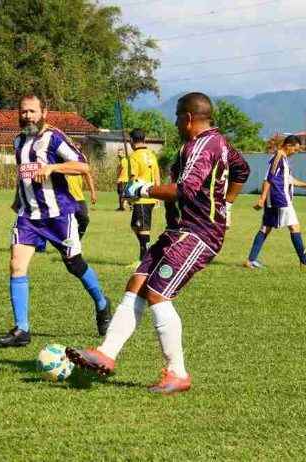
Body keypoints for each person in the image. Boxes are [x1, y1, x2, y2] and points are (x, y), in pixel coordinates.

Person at [65, 92, 250, 394]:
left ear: (189, 118)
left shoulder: (201, 146)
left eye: (178, 116)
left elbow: (187, 190)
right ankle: (106, 353)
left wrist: (145, 188)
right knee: (136, 283)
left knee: (157, 293)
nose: (176, 121)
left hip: (198, 234)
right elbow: (242, 170)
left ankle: (178, 373)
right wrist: (226, 204)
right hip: (178, 231)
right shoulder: (221, 142)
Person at [0, 94, 111, 347]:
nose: (27, 116)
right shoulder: (18, 141)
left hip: (58, 216)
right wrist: (18, 199)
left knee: (74, 265)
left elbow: (83, 166)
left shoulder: (54, 137)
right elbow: (23, 176)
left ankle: (102, 303)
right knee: (16, 264)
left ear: (43, 112)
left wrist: (53, 168)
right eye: (23, 111)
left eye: (32, 111)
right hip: (28, 217)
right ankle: (22, 330)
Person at [244, 135, 306, 269]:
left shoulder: (283, 159)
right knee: (294, 226)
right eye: (295, 150)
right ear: (288, 145)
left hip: (275, 199)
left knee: (265, 228)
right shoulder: (278, 157)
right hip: (280, 199)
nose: (295, 153)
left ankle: (250, 261)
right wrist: (262, 199)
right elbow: (268, 179)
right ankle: (304, 260)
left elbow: (288, 179)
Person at [128, 128, 161, 262]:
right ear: (144, 139)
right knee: (135, 225)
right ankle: (146, 250)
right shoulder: (151, 154)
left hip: (142, 197)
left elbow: (133, 178)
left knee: (143, 228)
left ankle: (144, 260)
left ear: (131, 141)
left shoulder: (134, 156)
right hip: (152, 195)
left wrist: (128, 195)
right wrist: (158, 195)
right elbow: (158, 176)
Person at [66, 169, 97, 239]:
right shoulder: (59, 159)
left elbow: (87, 175)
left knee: (85, 219)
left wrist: (93, 192)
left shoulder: (81, 159)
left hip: (79, 197)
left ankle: (76, 240)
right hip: (65, 197)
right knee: (66, 223)